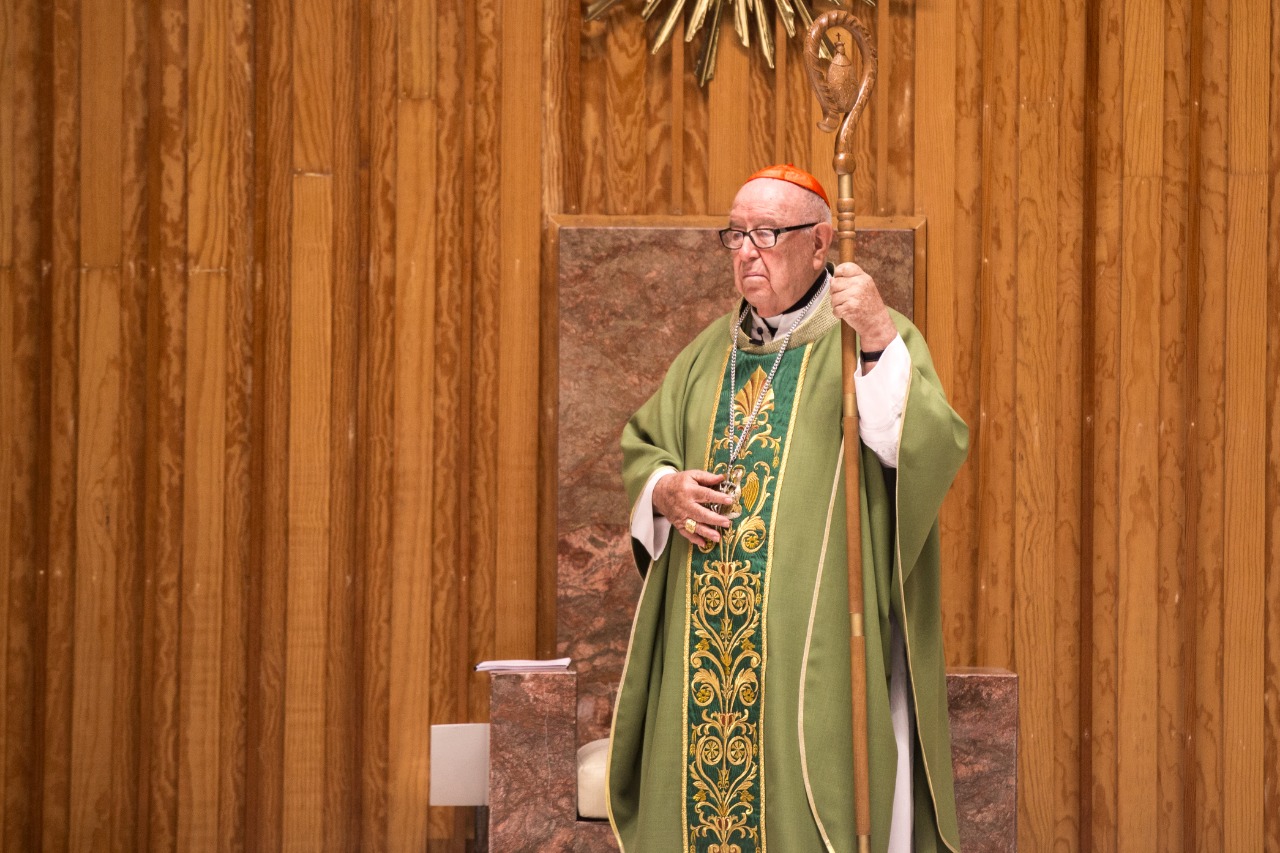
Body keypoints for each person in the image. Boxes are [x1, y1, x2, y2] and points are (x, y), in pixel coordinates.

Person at [605, 164, 969, 853]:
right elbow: (643, 446)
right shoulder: (707, 355)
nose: (746, 251)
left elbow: (920, 446)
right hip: (703, 656)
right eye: (735, 234)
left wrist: (875, 335)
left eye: (766, 233)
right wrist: (664, 489)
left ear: (820, 241)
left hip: (815, 652)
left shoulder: (866, 338)